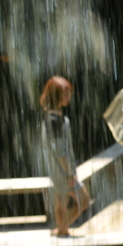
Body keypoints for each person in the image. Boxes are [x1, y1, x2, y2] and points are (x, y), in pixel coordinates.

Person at [40, 76, 90, 237]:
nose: (69, 98)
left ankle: (62, 230)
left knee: (60, 202)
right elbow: (61, 152)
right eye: (65, 94)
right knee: (84, 200)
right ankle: (62, 229)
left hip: (55, 170)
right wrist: (70, 174)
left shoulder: (51, 118)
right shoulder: (56, 121)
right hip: (62, 172)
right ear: (56, 96)